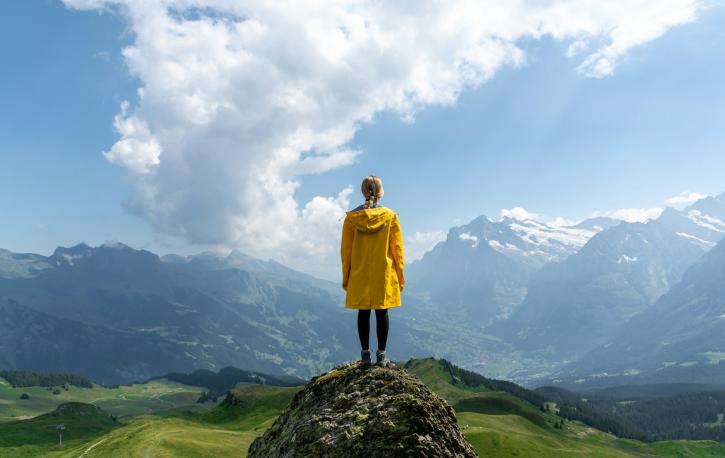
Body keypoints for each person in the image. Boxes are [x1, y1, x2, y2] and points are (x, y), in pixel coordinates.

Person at [340, 175, 405, 367]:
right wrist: (400, 276)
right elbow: (398, 251)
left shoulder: (352, 219)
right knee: (381, 311)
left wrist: (346, 277)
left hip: (359, 272)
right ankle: (382, 356)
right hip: (383, 273)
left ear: (363, 191)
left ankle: (365, 356)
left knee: (363, 311)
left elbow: (346, 251)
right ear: (380, 192)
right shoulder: (390, 216)